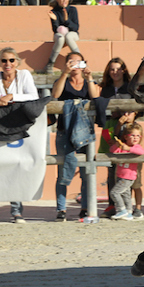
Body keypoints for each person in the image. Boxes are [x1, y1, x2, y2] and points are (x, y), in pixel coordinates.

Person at [0, 47, 39, 224]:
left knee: (16, 165)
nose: (8, 64)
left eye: (11, 60)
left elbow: (33, 96)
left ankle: (16, 212)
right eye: (4, 61)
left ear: (17, 62)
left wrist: (10, 96)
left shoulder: (24, 75)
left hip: (15, 126)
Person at [51, 52, 99, 221]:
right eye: (72, 62)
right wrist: (64, 73)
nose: (75, 66)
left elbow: (95, 97)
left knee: (87, 171)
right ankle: (61, 209)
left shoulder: (87, 82)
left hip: (85, 131)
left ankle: (85, 207)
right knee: (63, 169)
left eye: (79, 62)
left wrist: (90, 77)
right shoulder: (62, 81)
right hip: (64, 130)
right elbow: (55, 95)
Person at [97, 58, 141, 219]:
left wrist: (126, 113)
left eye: (117, 69)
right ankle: (113, 204)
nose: (115, 72)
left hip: (128, 130)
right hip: (111, 128)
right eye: (112, 69)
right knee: (112, 169)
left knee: (129, 167)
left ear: (124, 70)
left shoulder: (130, 88)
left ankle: (132, 207)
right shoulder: (106, 89)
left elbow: (138, 108)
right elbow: (101, 109)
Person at [109, 123, 144, 221]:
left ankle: (121, 210)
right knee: (126, 194)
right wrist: (117, 145)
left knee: (114, 193)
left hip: (128, 176)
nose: (135, 138)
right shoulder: (122, 147)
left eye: (138, 136)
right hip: (120, 175)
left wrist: (128, 149)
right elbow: (112, 150)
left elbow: (141, 152)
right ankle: (129, 212)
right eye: (132, 135)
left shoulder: (136, 147)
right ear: (126, 137)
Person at [45, 0, 80, 72]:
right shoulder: (54, 11)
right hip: (59, 34)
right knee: (61, 38)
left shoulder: (73, 9)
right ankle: (50, 63)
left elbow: (75, 28)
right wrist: (54, 20)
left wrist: (67, 20)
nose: (64, 0)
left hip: (72, 34)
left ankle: (80, 60)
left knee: (68, 36)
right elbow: (55, 30)